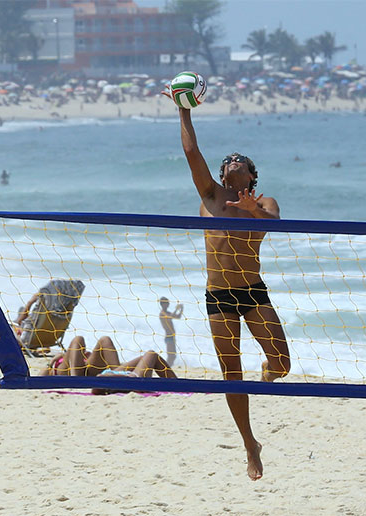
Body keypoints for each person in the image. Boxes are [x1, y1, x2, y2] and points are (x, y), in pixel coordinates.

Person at [175, 104, 290, 481]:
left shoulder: (264, 202)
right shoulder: (211, 195)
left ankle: (269, 375)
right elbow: (192, 154)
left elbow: (273, 225)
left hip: (253, 291)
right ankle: (250, 445)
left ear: (252, 175)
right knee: (231, 374)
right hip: (219, 295)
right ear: (223, 175)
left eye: (240, 161)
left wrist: (251, 208)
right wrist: (184, 112)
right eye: (228, 162)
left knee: (283, 365)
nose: (232, 162)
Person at [40, 335, 176, 393]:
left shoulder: (71, 354)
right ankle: (77, 380)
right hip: (70, 373)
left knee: (105, 340)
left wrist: (83, 355)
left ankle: (118, 374)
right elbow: (39, 378)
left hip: (90, 371)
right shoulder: (54, 367)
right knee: (78, 338)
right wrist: (51, 363)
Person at [158, 297, 183, 366]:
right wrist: (176, 309)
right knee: (171, 356)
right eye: (167, 303)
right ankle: (166, 369)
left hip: (172, 337)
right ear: (163, 304)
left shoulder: (167, 312)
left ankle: (168, 369)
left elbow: (178, 317)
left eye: (168, 302)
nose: (168, 304)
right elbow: (169, 317)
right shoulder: (162, 313)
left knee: (173, 356)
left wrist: (181, 309)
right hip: (168, 337)